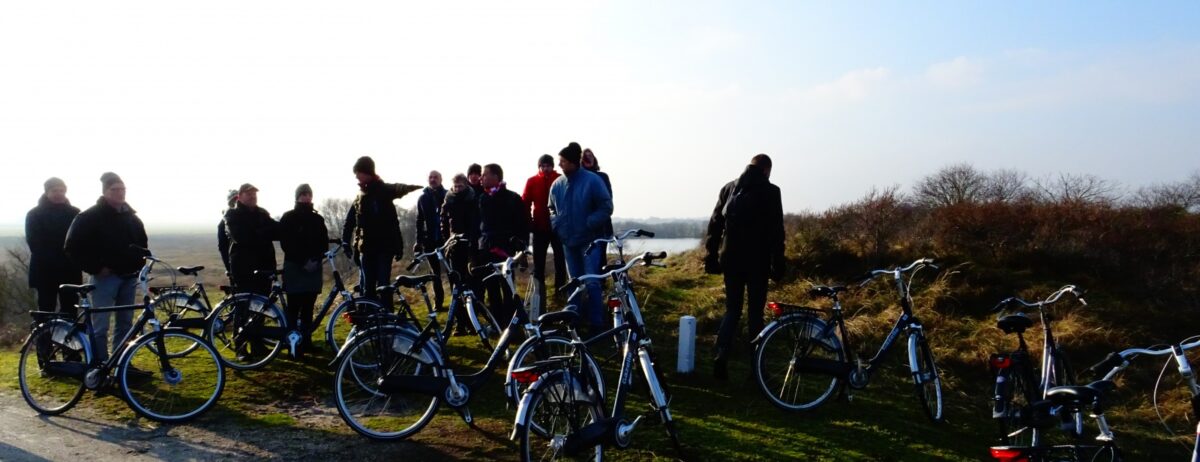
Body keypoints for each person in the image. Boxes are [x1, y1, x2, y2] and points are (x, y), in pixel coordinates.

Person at [703, 154, 786, 380]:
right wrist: (778, 263)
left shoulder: (729, 188)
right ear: (767, 170)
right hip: (757, 261)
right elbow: (776, 231)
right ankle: (756, 369)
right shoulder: (771, 192)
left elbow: (714, 224)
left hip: (730, 259)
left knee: (732, 310)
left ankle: (720, 356)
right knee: (755, 314)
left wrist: (711, 256)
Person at [64, 172, 149, 362]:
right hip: (104, 278)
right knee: (100, 324)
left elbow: (142, 244)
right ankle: (99, 364)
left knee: (125, 324)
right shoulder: (89, 216)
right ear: (105, 192)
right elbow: (72, 247)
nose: (120, 193)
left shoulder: (132, 218)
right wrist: (96, 267)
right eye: (115, 190)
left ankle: (120, 364)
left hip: (129, 277)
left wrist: (139, 264)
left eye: (122, 189)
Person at [548, 142, 613, 333]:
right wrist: (557, 224)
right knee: (573, 281)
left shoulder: (592, 180)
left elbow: (606, 207)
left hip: (590, 241)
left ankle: (597, 322)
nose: (560, 165)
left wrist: (589, 222)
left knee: (592, 281)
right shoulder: (557, 184)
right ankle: (572, 320)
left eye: (563, 161)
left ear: (573, 162)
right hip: (568, 240)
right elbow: (550, 207)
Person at [342, 156, 421, 309]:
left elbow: (393, 221)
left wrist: (398, 246)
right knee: (367, 289)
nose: (356, 176)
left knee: (384, 287)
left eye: (358, 172)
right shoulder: (359, 196)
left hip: (384, 249)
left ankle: (387, 319)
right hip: (366, 249)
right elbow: (350, 221)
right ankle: (368, 322)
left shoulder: (383, 190)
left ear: (367, 172)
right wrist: (346, 241)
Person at [477, 163, 529, 323]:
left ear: (496, 177)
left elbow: (523, 224)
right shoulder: (482, 198)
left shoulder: (512, 198)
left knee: (507, 287)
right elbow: (478, 225)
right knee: (492, 288)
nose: (481, 178)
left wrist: (522, 248)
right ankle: (497, 323)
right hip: (486, 248)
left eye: (484, 175)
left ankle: (511, 322)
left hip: (506, 249)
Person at [279, 184, 328, 356]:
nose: (306, 197)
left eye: (309, 194)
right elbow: (286, 244)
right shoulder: (288, 217)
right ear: (297, 196)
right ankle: (293, 345)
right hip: (294, 268)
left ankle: (307, 342)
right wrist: (302, 262)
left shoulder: (318, 219)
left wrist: (316, 260)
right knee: (293, 309)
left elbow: (323, 243)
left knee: (308, 308)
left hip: (313, 268)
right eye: (303, 194)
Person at [26, 177, 81, 316]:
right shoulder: (34, 214)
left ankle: (65, 338)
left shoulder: (75, 213)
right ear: (47, 192)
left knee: (70, 312)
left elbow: (81, 240)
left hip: (70, 272)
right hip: (45, 271)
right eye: (54, 190)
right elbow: (35, 244)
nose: (59, 193)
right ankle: (43, 337)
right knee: (45, 311)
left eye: (62, 190)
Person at [521, 154, 566, 305]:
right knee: (538, 263)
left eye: (548, 165)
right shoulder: (532, 181)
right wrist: (529, 223)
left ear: (553, 166)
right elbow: (525, 203)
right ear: (539, 167)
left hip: (558, 228)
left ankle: (560, 292)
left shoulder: (561, 179)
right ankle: (539, 295)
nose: (546, 168)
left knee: (560, 261)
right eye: (543, 166)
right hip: (540, 227)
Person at [440, 173, 480, 335]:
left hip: (470, 247)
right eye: (455, 186)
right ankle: (460, 323)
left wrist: (472, 240)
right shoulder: (448, 201)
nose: (457, 189)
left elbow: (476, 222)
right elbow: (443, 222)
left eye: (460, 186)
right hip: (453, 247)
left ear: (465, 185)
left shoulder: (472, 200)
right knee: (456, 286)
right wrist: (447, 239)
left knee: (470, 285)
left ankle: (472, 322)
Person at [224, 183, 279, 295]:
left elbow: (277, 231)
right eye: (248, 194)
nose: (252, 196)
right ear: (239, 196)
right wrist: (265, 232)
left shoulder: (262, 213)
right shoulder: (232, 214)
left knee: (263, 306)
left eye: (254, 194)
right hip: (244, 270)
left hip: (265, 268)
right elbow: (242, 237)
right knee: (244, 306)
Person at [414, 170, 448, 310]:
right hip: (430, 241)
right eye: (431, 177)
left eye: (436, 177)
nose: (433, 180)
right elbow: (419, 221)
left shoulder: (447, 195)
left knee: (451, 271)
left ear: (441, 179)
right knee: (434, 274)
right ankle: (438, 302)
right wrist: (419, 241)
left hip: (446, 240)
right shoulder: (423, 198)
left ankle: (458, 303)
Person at [581, 148, 614, 240]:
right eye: (585, 157)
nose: (589, 159)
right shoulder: (578, 178)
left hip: (603, 222)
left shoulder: (603, 176)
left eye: (590, 156)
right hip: (584, 223)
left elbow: (608, 199)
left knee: (601, 251)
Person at [217, 189, 237, 277]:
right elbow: (223, 247)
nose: (237, 203)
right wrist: (229, 268)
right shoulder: (224, 224)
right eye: (234, 200)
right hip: (237, 265)